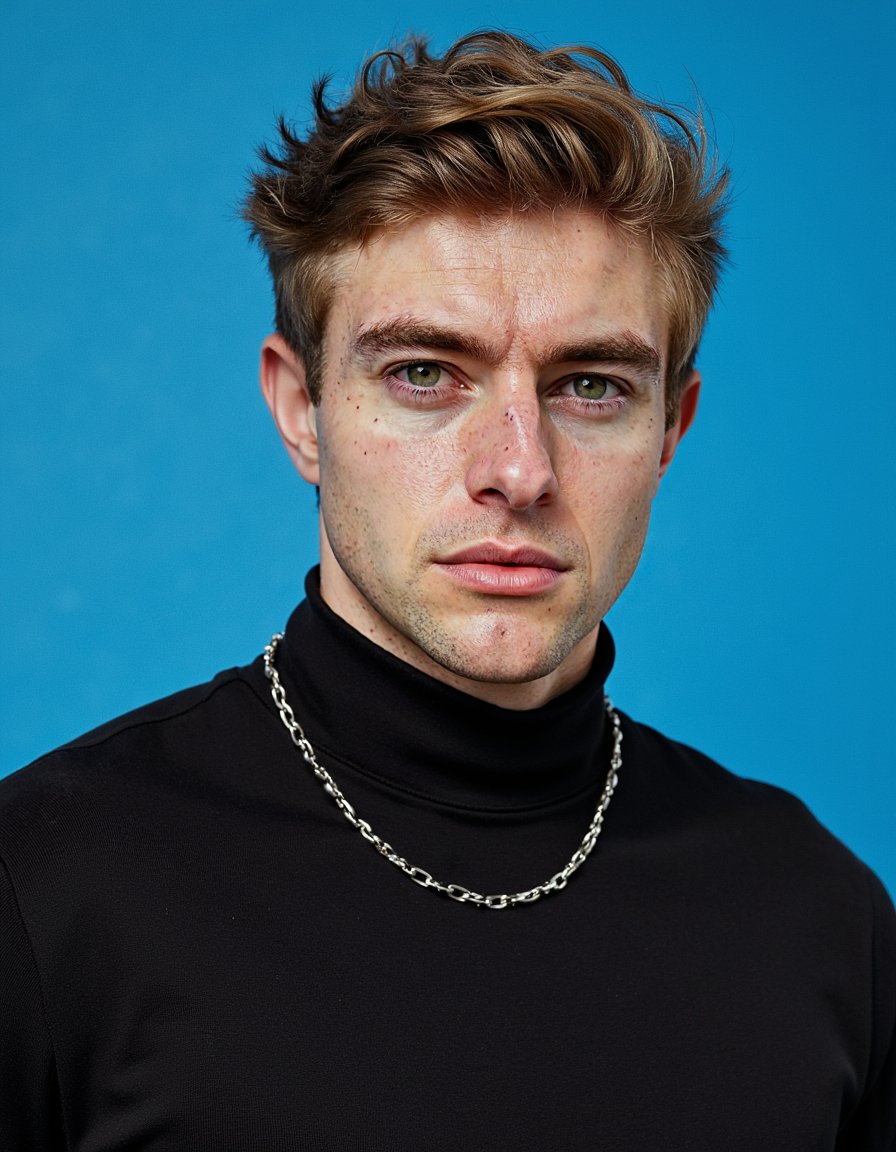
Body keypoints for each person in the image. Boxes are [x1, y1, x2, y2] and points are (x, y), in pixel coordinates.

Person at [1, 30, 893, 1150]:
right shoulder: (43, 886)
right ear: (301, 410)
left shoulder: (816, 918)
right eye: (424, 373)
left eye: (590, 386)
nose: (517, 472)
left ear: (670, 426)